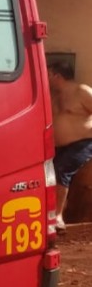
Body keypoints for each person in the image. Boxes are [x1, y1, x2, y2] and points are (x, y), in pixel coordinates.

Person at [47, 59, 92, 231]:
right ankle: (53, 211)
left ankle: (58, 216)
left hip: (83, 143)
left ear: (58, 76)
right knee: (48, 172)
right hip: (58, 146)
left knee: (61, 169)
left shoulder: (81, 91)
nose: (47, 77)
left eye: (49, 74)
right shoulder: (53, 95)